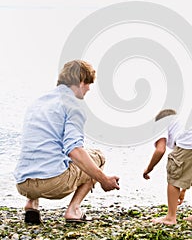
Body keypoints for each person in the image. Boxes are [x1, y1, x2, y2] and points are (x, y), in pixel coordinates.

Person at [14, 60, 120, 224]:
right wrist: (104, 180)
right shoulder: (73, 106)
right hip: (52, 183)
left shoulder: (37, 103)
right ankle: (74, 210)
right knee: (98, 157)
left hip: (22, 183)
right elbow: (74, 151)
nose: (89, 89)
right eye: (88, 84)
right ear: (80, 81)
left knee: (44, 151)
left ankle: (31, 204)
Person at [143, 109, 192, 225]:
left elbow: (160, 150)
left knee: (174, 177)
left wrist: (149, 169)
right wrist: (183, 190)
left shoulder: (159, 124)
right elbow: (190, 169)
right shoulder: (180, 120)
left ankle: (170, 217)